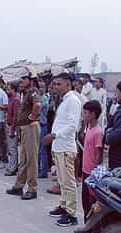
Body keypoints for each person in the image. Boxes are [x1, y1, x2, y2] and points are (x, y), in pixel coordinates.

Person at [44, 73, 81, 227]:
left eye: (59, 84)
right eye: (55, 84)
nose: (56, 87)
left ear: (68, 84)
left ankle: (72, 215)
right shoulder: (65, 100)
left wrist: (54, 135)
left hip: (66, 147)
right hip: (59, 147)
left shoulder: (73, 101)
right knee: (62, 181)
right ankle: (64, 206)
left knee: (69, 182)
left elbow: (73, 125)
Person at [6, 72, 42, 200]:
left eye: (24, 78)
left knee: (31, 160)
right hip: (26, 128)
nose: (21, 81)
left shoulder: (33, 91)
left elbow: (38, 105)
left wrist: (32, 116)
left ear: (31, 80)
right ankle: (19, 186)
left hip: (31, 127)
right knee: (24, 159)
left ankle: (32, 189)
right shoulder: (26, 93)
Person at [81, 100, 103, 231]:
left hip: (91, 173)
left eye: (85, 113)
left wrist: (94, 174)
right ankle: (87, 227)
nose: (83, 115)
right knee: (85, 203)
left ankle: (93, 229)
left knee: (92, 204)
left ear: (93, 114)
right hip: (85, 171)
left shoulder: (98, 132)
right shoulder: (88, 128)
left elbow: (99, 154)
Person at [5, 82, 20, 176]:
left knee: (13, 148)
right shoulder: (12, 99)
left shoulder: (16, 100)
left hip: (12, 126)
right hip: (10, 125)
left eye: (9, 89)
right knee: (11, 148)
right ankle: (12, 165)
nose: (7, 90)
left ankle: (13, 168)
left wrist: (13, 130)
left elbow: (16, 116)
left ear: (13, 89)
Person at [105, 81, 121, 169]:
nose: (116, 95)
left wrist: (108, 135)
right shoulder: (118, 108)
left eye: (117, 92)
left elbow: (116, 135)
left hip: (118, 157)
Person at [38, 80, 50, 178]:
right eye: (39, 87)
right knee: (37, 149)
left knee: (42, 149)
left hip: (42, 125)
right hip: (37, 125)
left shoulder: (45, 98)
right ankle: (37, 169)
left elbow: (39, 108)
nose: (40, 89)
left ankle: (44, 171)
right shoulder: (38, 97)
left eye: (42, 87)